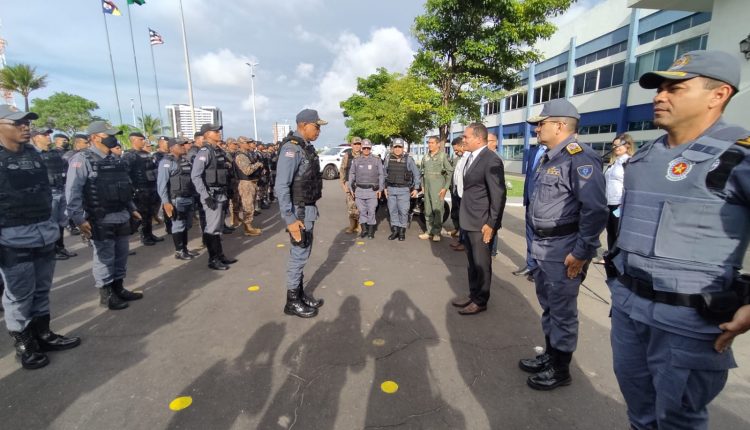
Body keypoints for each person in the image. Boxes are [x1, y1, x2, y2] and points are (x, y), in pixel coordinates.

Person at [608, 50, 750, 430]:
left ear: (718, 95)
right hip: (628, 308)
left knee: (678, 421)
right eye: (660, 89)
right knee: (640, 413)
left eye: (675, 89)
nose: (660, 96)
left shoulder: (738, 156)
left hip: (687, 322)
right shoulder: (645, 156)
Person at [518, 99, 607, 391]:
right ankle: (550, 355)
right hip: (543, 245)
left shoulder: (579, 158)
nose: (537, 129)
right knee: (549, 306)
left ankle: (561, 369)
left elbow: (595, 210)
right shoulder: (550, 157)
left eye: (541, 124)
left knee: (563, 312)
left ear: (559, 125)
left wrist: (581, 253)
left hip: (564, 249)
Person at [0, 105, 81, 370]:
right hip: (11, 238)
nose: (25, 127)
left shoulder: (34, 155)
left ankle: (43, 334)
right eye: (17, 123)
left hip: (43, 233)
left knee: (42, 289)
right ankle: (25, 344)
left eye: (27, 122)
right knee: (18, 295)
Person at [65, 121, 144, 310]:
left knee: (121, 254)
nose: (113, 138)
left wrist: (132, 208)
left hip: (121, 215)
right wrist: (78, 218)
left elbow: (124, 187)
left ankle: (119, 288)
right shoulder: (82, 159)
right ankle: (107, 294)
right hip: (100, 217)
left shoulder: (115, 159)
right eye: (108, 135)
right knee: (105, 257)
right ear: (94, 137)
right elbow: (73, 191)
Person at [274, 109, 326, 318]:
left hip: (307, 208)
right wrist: (290, 220)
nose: (319, 131)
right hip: (299, 212)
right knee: (299, 255)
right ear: (304, 125)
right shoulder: (291, 149)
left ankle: (300, 294)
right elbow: (281, 186)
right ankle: (292, 301)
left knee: (303, 253)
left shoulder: (304, 148)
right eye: (316, 126)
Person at [450, 123, 506, 316]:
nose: (463, 140)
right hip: (469, 219)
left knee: (481, 264)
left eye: (466, 137)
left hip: (481, 223)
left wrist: (492, 224)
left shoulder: (491, 160)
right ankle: (473, 295)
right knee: (472, 263)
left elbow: (498, 195)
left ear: (478, 138)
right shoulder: (471, 157)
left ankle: (481, 300)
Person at [190, 123, 237, 270]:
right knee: (212, 228)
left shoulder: (216, 150)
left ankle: (220, 256)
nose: (218, 133)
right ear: (207, 134)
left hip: (220, 193)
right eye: (215, 131)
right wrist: (205, 196)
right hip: (212, 195)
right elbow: (195, 176)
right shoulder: (205, 152)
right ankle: (213, 259)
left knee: (218, 227)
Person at [32, 129, 78, 260]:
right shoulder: (32, 155)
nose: (48, 137)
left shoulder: (55, 154)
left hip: (61, 190)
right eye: (44, 135)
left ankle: (60, 247)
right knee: (50, 223)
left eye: (48, 134)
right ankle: (51, 251)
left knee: (61, 222)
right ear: (36, 138)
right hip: (47, 194)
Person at [157, 137, 198, 260]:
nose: (184, 147)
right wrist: (166, 203)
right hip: (176, 199)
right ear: (172, 148)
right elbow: (161, 184)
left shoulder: (185, 161)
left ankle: (184, 249)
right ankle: (179, 251)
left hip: (188, 197)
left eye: (184, 144)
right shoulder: (166, 162)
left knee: (187, 225)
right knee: (178, 225)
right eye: (180, 145)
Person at [512, 140, 547, 279]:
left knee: (542, 239)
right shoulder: (534, 151)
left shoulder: (556, 151)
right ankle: (530, 265)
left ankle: (540, 269)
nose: (537, 131)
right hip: (530, 200)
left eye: (540, 128)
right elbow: (530, 175)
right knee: (530, 235)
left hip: (544, 204)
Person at [122, 132, 163, 246]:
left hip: (151, 187)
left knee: (150, 213)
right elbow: (125, 174)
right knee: (143, 214)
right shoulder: (129, 155)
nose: (144, 141)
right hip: (139, 189)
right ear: (133, 140)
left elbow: (153, 169)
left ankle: (149, 234)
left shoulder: (146, 154)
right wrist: (133, 189)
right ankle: (144, 236)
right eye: (141, 139)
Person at [601, 134, 634, 253]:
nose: (615, 147)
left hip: (620, 204)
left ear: (627, 145)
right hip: (608, 203)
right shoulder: (614, 163)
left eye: (618, 145)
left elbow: (632, 184)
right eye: (614, 145)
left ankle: (618, 257)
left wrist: (625, 203)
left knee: (618, 232)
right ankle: (610, 255)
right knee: (610, 231)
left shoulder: (629, 162)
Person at [384, 138, 420, 241]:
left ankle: (402, 231)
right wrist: (385, 187)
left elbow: (416, 174)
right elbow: (384, 174)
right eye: (395, 147)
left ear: (403, 148)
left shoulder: (408, 159)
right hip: (391, 189)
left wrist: (416, 188)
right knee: (392, 210)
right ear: (392, 147)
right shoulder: (388, 158)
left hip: (404, 190)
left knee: (403, 211)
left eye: (399, 147)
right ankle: (395, 231)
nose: (397, 149)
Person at [419, 136, 453, 241]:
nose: (430, 145)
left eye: (432, 143)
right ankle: (429, 231)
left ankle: (437, 233)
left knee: (437, 210)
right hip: (427, 188)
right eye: (429, 143)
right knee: (427, 209)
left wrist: (445, 188)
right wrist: (422, 185)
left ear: (438, 144)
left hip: (438, 188)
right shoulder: (425, 157)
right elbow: (422, 172)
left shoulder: (443, 156)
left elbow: (449, 172)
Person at [349, 139, 384, 239]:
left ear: (370, 148)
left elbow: (381, 175)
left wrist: (380, 189)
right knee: (362, 211)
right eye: (364, 148)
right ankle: (364, 230)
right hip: (359, 190)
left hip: (372, 191)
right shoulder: (356, 160)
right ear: (361, 148)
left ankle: (370, 231)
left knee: (371, 211)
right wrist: (351, 187)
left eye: (368, 148)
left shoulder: (376, 160)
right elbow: (352, 173)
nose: (366, 150)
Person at [233, 138, 264, 236]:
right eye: (247, 143)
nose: (249, 144)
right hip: (245, 183)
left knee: (251, 205)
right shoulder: (241, 156)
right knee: (248, 206)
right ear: (241, 144)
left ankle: (249, 225)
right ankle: (248, 228)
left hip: (251, 182)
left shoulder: (247, 154)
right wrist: (257, 164)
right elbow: (247, 170)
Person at [340, 137, 362, 233]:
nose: (357, 146)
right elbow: (342, 170)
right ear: (351, 145)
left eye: (359, 144)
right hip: (350, 184)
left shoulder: (364, 155)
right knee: (350, 206)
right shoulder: (347, 155)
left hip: (361, 185)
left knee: (361, 206)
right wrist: (343, 184)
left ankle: (360, 226)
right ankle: (352, 226)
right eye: (355, 144)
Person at [449, 137, 467, 251]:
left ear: (462, 146)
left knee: (464, 219)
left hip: (465, 195)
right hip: (457, 192)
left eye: (456, 149)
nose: (455, 152)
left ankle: (464, 242)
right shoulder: (459, 159)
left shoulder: (467, 159)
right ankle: (461, 240)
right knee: (460, 217)